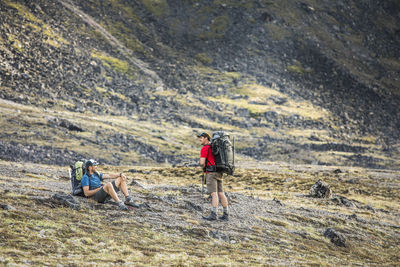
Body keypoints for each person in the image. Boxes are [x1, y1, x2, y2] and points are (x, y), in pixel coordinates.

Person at [198, 132, 229, 221]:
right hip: (219, 172)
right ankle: (226, 214)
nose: (200, 139)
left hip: (211, 173)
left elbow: (202, 162)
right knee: (221, 193)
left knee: (213, 194)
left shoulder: (205, 148)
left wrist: (203, 168)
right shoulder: (215, 147)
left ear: (206, 138)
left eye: (201, 138)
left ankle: (213, 215)